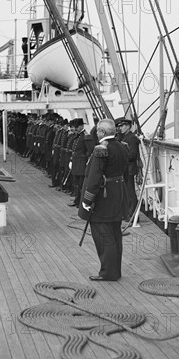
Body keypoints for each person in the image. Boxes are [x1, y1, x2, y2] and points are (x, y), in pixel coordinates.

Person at [78, 118, 129, 281]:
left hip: (104, 198)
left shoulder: (101, 149)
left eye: (98, 131)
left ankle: (108, 273)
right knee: (115, 234)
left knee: (103, 235)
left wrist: (87, 200)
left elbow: (94, 177)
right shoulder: (121, 146)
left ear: (101, 132)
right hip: (118, 194)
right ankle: (115, 271)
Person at [115, 117, 142, 222]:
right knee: (125, 193)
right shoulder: (124, 137)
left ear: (128, 126)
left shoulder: (131, 138)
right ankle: (127, 213)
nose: (120, 128)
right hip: (125, 169)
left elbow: (132, 155)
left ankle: (133, 216)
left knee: (130, 193)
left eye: (122, 126)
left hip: (129, 169)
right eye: (119, 126)